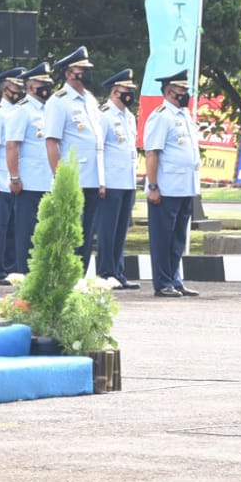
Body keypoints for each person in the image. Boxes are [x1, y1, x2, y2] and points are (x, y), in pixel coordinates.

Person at [44, 46, 105, 273]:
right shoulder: (58, 101)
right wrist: (60, 177)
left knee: (87, 234)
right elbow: (52, 142)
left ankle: (80, 277)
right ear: (69, 73)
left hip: (92, 178)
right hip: (73, 177)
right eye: (82, 69)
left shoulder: (89, 99)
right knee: (70, 233)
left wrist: (101, 179)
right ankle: (65, 279)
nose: (87, 72)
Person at [142, 69, 200, 298]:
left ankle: (175, 279)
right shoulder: (161, 116)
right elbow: (152, 154)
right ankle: (163, 281)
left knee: (178, 238)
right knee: (162, 238)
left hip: (185, 186)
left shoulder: (185, 115)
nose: (185, 93)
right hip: (166, 187)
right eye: (181, 89)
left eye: (186, 89)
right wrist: (153, 186)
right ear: (168, 91)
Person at [4, 62, 55, 273]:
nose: (47, 87)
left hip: (48, 181)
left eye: (48, 83)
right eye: (42, 83)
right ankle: (24, 273)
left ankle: (42, 272)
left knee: (46, 231)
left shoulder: (48, 110)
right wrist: (14, 177)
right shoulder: (22, 111)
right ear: (31, 87)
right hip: (29, 182)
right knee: (27, 232)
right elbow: (11, 146)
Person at [95, 69, 140, 289]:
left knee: (121, 230)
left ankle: (118, 272)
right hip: (110, 181)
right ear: (114, 92)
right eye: (126, 91)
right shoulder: (104, 115)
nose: (130, 94)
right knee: (107, 229)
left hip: (127, 181)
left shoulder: (129, 117)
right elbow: (99, 149)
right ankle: (105, 272)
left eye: (131, 90)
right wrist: (100, 180)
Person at [0, 66, 27, 285]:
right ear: (5, 88)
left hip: (18, 181)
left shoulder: (23, 111)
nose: (20, 90)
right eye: (16, 86)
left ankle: (14, 268)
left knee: (16, 227)